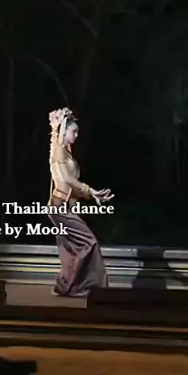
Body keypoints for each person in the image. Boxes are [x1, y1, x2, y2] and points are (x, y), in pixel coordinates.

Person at [47, 107, 114, 297]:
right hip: (59, 207)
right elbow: (67, 179)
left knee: (69, 249)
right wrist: (89, 190)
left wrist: (93, 196)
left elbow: (71, 187)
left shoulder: (65, 153)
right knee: (88, 242)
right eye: (73, 131)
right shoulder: (59, 150)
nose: (76, 135)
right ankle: (89, 287)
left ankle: (67, 287)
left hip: (62, 205)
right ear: (64, 130)